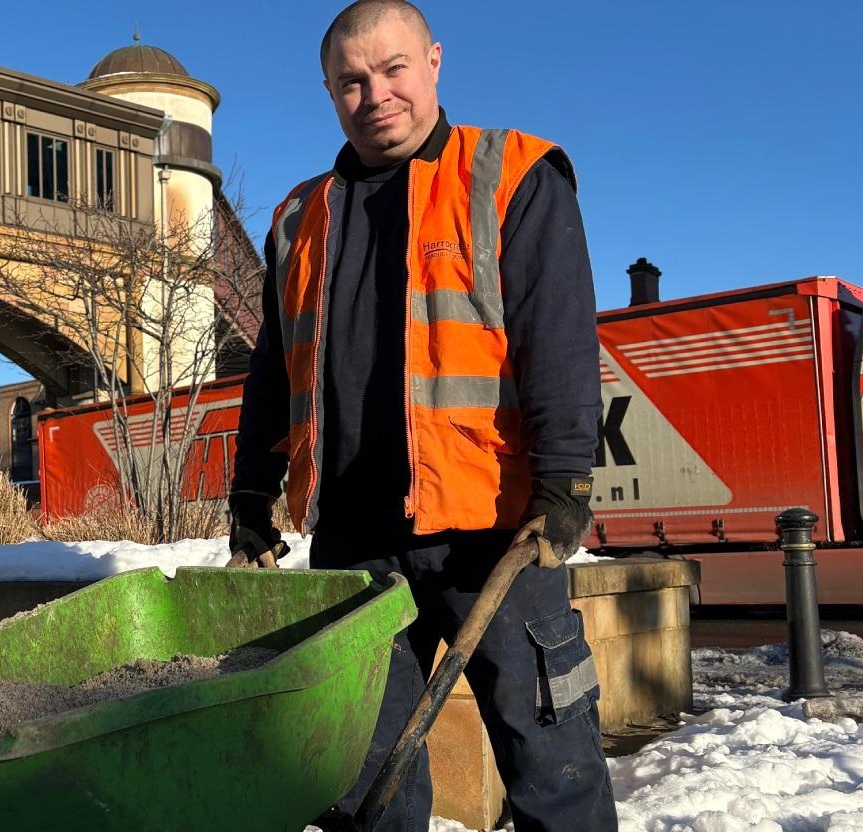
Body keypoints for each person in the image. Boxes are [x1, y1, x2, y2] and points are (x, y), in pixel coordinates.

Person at [227, 1, 617, 829]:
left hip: (496, 537)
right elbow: (273, 369)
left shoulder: (511, 174)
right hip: (354, 549)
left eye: (394, 69)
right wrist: (249, 496)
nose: (377, 95)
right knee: (364, 795)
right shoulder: (299, 218)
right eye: (352, 82)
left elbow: (558, 339)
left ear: (434, 61)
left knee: (556, 776)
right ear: (330, 92)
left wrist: (566, 481)